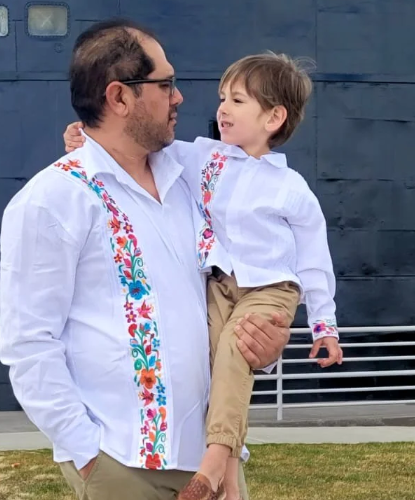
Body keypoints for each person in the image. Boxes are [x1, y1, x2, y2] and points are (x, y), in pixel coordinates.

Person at [0, 19, 292, 500]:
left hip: (212, 460)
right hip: (120, 463)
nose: (179, 97)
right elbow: (29, 344)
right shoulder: (52, 201)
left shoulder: (195, 184)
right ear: (119, 98)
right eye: (165, 84)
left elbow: (232, 292)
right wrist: (88, 455)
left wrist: (263, 340)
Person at [63, 52, 344, 500]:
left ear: (274, 117)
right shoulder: (203, 158)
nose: (223, 109)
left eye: (237, 100)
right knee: (208, 363)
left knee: (235, 352)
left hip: (270, 287)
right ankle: (231, 472)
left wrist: (323, 326)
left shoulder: (292, 190)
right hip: (220, 283)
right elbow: (137, 147)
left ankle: (213, 463)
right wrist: (87, 140)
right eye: (222, 98)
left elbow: (314, 259)